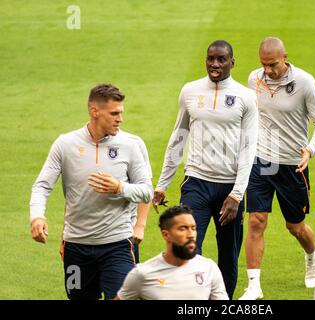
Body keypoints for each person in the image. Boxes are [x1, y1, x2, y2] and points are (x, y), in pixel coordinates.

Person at [152, 40, 258, 299]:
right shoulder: (190, 91)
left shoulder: (246, 96)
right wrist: (162, 184)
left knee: (228, 255)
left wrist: (237, 194)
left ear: (232, 62)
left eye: (221, 59)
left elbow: (248, 148)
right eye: (210, 58)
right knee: (187, 250)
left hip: (229, 189)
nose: (215, 64)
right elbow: (178, 138)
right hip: (196, 183)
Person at [30, 84, 153, 299]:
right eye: (114, 113)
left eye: (121, 113)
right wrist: (37, 217)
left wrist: (119, 188)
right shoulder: (65, 144)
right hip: (76, 247)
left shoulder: (129, 145)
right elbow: (42, 186)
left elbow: (146, 191)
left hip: (117, 245)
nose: (120, 119)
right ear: (94, 111)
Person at [239, 37, 315, 300]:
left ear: (285, 57)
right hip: (262, 160)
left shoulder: (304, 82)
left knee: (296, 226)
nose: (267, 70)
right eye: (264, 65)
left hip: (293, 164)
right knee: (256, 221)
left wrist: (310, 149)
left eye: (273, 65)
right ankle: (254, 286)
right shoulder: (254, 78)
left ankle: (313, 257)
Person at [116, 206, 229, 300]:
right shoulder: (142, 274)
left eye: (193, 228)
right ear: (166, 235)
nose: (191, 234)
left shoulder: (209, 268)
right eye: (183, 228)